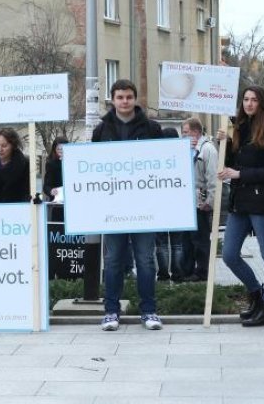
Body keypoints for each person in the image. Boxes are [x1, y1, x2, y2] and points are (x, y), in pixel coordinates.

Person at [93, 79, 164, 331]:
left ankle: (149, 311)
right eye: (120, 97)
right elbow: (93, 167)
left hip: (144, 207)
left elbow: (164, 162)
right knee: (113, 260)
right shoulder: (101, 130)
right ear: (112, 99)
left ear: (135, 99)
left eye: (129, 97)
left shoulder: (152, 128)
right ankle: (111, 312)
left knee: (146, 260)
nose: (125, 101)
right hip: (113, 208)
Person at [217, 85, 264, 327]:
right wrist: (225, 144)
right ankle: (256, 295)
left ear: (262, 103)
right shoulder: (239, 126)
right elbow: (230, 162)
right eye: (245, 99)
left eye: (254, 100)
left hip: (262, 202)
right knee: (229, 255)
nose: (249, 104)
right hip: (240, 202)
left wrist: (240, 174)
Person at [181, 117, 217, 282]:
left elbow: (212, 176)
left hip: (200, 200)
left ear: (195, 132)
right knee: (187, 239)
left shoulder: (207, 149)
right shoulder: (187, 148)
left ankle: (202, 272)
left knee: (200, 239)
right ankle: (187, 271)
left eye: (186, 132)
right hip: (187, 201)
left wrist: (210, 200)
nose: (183, 136)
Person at [155, 127, 191, 282]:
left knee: (161, 244)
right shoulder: (182, 157)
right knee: (177, 244)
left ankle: (163, 275)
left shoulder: (155, 159)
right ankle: (178, 274)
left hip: (159, 206)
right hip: (178, 206)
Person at [43, 136, 68, 202]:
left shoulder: (73, 161)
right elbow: (46, 186)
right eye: (58, 149)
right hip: (58, 200)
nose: (61, 151)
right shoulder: (51, 163)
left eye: (63, 148)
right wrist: (51, 191)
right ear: (54, 149)